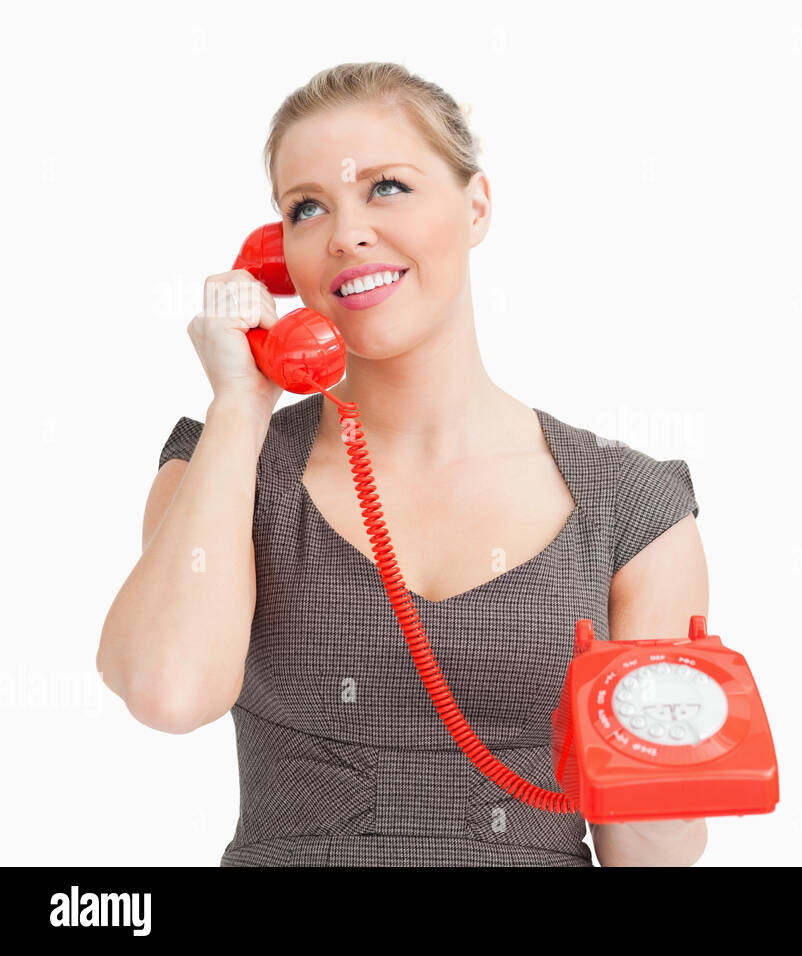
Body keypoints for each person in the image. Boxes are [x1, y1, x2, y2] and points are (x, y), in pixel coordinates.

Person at [97, 62, 708, 867]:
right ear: (276, 255)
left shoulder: (631, 505)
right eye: (306, 208)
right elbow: (168, 693)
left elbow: (652, 853)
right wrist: (241, 404)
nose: (346, 232)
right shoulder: (223, 464)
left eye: (387, 187)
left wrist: (668, 744)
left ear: (477, 206)